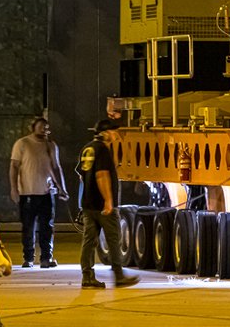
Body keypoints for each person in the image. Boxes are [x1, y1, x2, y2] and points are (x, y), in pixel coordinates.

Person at [77, 118, 139, 289]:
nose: (115, 134)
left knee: (89, 241)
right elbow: (102, 175)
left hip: (88, 204)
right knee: (114, 240)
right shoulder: (103, 149)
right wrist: (108, 201)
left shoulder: (87, 149)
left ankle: (87, 277)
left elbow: (82, 175)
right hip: (102, 206)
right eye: (113, 131)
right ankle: (119, 276)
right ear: (104, 133)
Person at [9, 116, 69, 268]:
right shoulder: (23, 144)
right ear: (33, 127)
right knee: (28, 227)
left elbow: (56, 168)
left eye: (46, 127)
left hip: (47, 192)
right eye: (41, 126)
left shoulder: (51, 145)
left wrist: (61, 188)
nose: (44, 129)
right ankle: (28, 257)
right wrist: (14, 188)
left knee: (47, 226)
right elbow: (14, 166)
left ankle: (46, 258)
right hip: (27, 192)